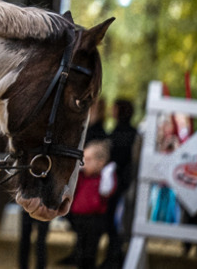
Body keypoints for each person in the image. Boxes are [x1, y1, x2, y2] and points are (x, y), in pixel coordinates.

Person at [69, 139, 116, 269]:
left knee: (90, 251)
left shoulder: (104, 177)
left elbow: (106, 191)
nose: (84, 163)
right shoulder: (81, 176)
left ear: (101, 162)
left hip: (94, 219)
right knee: (79, 249)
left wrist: (106, 173)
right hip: (79, 217)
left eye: (88, 160)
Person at [102, 98, 137, 269]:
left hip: (118, 183)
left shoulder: (122, 133)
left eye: (114, 108)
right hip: (121, 182)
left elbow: (119, 158)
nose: (111, 110)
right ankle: (114, 256)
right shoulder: (128, 132)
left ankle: (114, 257)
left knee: (114, 221)